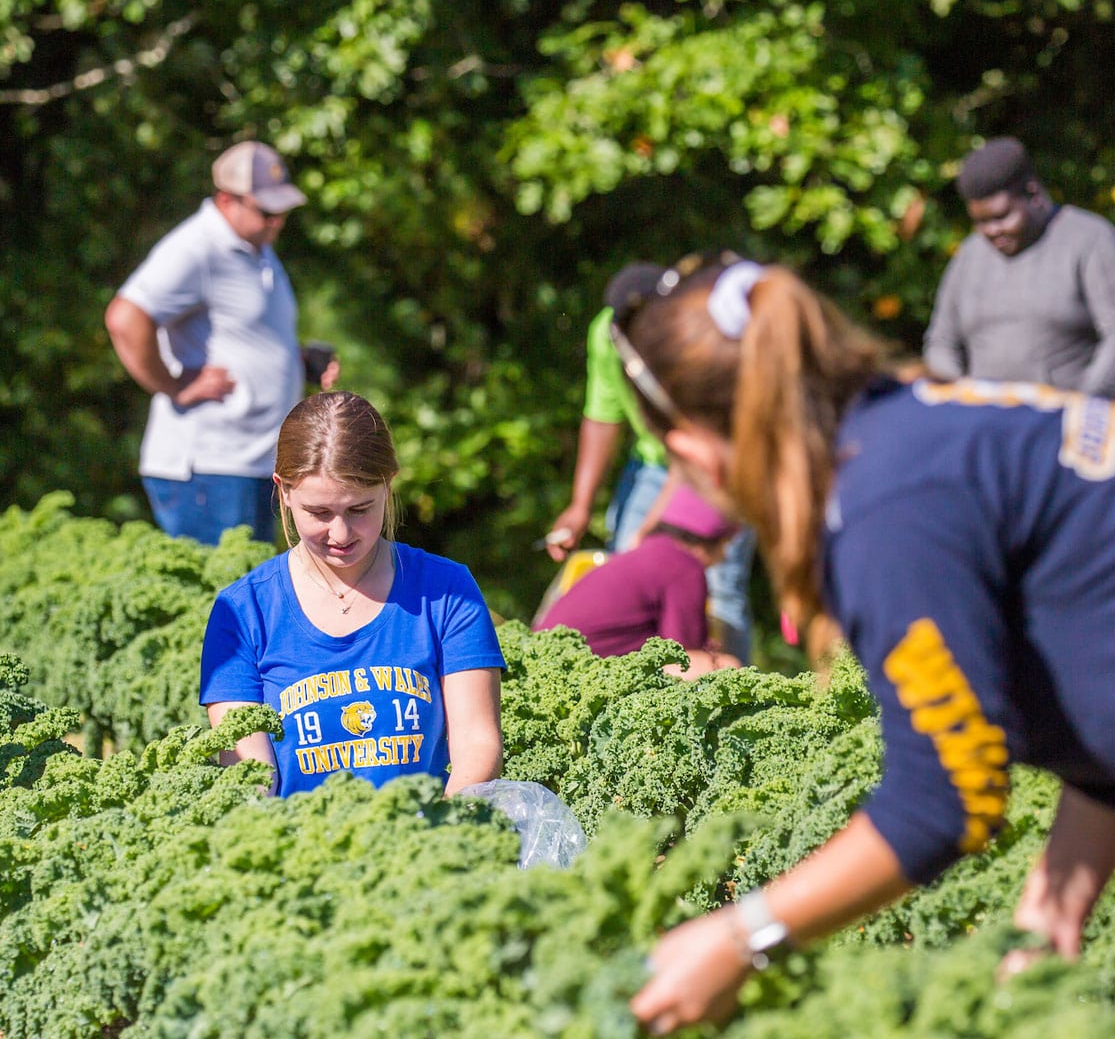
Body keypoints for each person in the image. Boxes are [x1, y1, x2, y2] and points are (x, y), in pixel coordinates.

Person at [614, 254, 1115, 1039]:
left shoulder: (884, 508)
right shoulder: (921, 426)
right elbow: (1114, 665)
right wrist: (1056, 904)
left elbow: (947, 795)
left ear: (696, 451)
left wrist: (741, 936)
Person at [200, 391, 504, 797]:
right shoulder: (242, 613)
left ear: (389, 485)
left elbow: (477, 746)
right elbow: (249, 777)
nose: (340, 534)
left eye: (360, 509)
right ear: (285, 491)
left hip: (425, 843)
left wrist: (440, 837)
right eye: (320, 513)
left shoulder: (447, 592)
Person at [104, 140, 339, 545]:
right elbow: (125, 318)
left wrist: (297, 362)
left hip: (253, 464)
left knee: (247, 599)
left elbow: (243, 337)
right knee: (221, 602)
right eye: (267, 211)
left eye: (282, 211)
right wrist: (174, 385)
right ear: (228, 200)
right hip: (209, 469)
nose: (277, 222)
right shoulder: (196, 248)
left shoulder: (256, 248)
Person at [545, 261, 757, 658]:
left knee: (717, 583)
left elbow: (692, 443)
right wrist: (580, 505)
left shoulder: (692, 334)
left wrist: (655, 526)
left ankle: (738, 695)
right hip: (655, 461)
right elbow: (602, 415)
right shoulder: (608, 335)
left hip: (719, 459)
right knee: (632, 565)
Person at [923, 136, 1115, 400]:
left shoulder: (1090, 240)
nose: (992, 231)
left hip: (1066, 423)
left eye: (1001, 216)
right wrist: (958, 397)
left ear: (1033, 193)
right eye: (980, 222)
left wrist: (1083, 407)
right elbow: (941, 342)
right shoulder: (970, 256)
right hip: (987, 425)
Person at [534, 485, 742, 679]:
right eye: (725, 545)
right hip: (582, 671)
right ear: (705, 542)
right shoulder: (685, 566)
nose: (723, 557)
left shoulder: (649, 551)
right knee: (727, 666)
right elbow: (681, 653)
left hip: (546, 661)